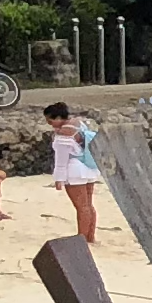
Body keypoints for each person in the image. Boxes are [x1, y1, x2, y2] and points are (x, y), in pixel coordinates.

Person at [45, 101, 101, 242]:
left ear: (58, 118)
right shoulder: (78, 123)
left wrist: (59, 179)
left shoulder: (64, 134)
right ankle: (90, 236)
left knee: (81, 207)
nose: (48, 123)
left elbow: (61, 160)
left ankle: (81, 238)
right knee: (88, 205)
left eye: (50, 120)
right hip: (88, 167)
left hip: (74, 169)